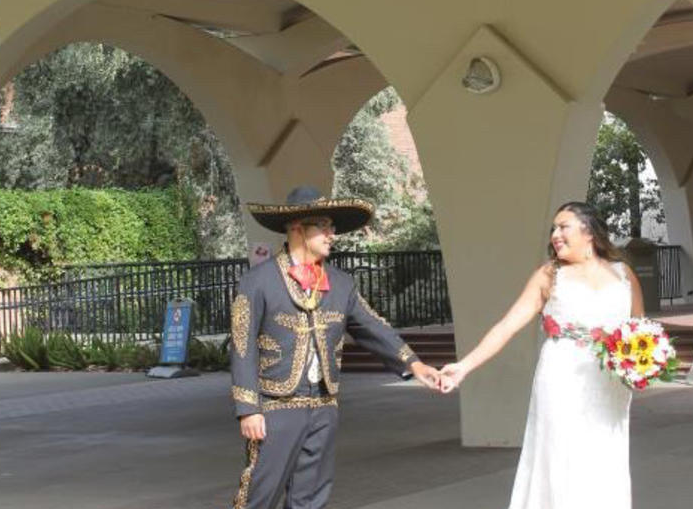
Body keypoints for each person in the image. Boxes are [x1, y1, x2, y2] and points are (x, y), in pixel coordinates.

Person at [229, 185, 441, 509]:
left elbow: (371, 326)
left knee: (312, 499)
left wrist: (414, 364)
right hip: (276, 407)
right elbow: (242, 345)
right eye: (324, 226)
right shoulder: (257, 281)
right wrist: (248, 408)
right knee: (261, 495)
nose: (333, 235)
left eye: (332, 227)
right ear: (298, 229)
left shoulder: (341, 284)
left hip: (325, 406)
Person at [440, 201, 644, 509]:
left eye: (564, 227)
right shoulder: (549, 275)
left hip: (609, 382)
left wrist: (645, 363)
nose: (555, 235)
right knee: (560, 454)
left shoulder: (623, 274)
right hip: (561, 376)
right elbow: (506, 326)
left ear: (589, 232)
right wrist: (463, 367)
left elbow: (641, 329)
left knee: (604, 453)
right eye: (553, 229)